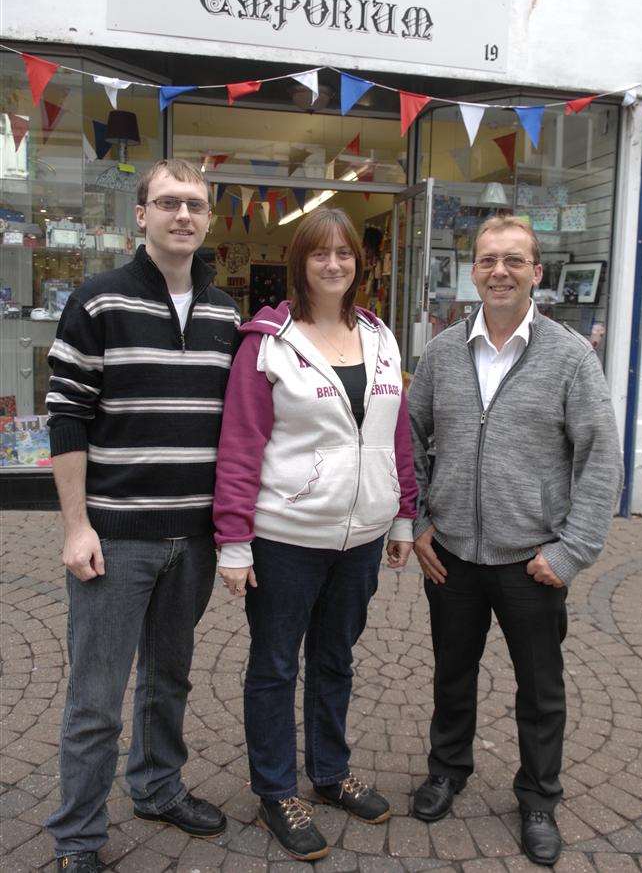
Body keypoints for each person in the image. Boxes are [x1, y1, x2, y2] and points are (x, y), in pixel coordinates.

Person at [408, 216, 623, 866]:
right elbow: (409, 438)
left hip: (532, 561)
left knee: (541, 688)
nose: (499, 270)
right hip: (452, 557)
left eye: (514, 260)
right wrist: (417, 519)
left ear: (536, 272)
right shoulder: (443, 352)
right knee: (452, 672)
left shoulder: (569, 357)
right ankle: (448, 768)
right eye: (488, 260)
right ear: (472, 270)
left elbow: (601, 457)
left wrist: (570, 551)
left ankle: (537, 795)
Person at [45, 159, 240, 872]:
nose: (182, 214)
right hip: (116, 537)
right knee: (96, 697)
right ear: (141, 214)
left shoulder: (225, 314)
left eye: (194, 204)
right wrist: (75, 525)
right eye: (168, 202)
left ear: (210, 218)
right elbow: (65, 416)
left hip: (192, 539)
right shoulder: (97, 301)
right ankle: (78, 836)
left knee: (170, 676)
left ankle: (157, 785)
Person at [212, 206, 418, 862]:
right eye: (320, 253)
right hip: (285, 535)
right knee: (274, 664)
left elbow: (396, 435)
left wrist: (403, 514)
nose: (334, 263)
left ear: (360, 262)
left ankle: (329, 774)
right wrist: (235, 540)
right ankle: (276, 789)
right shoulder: (268, 343)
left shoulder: (381, 338)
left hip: (360, 536)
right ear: (300, 262)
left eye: (345, 253)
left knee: (336, 658)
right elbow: (241, 445)